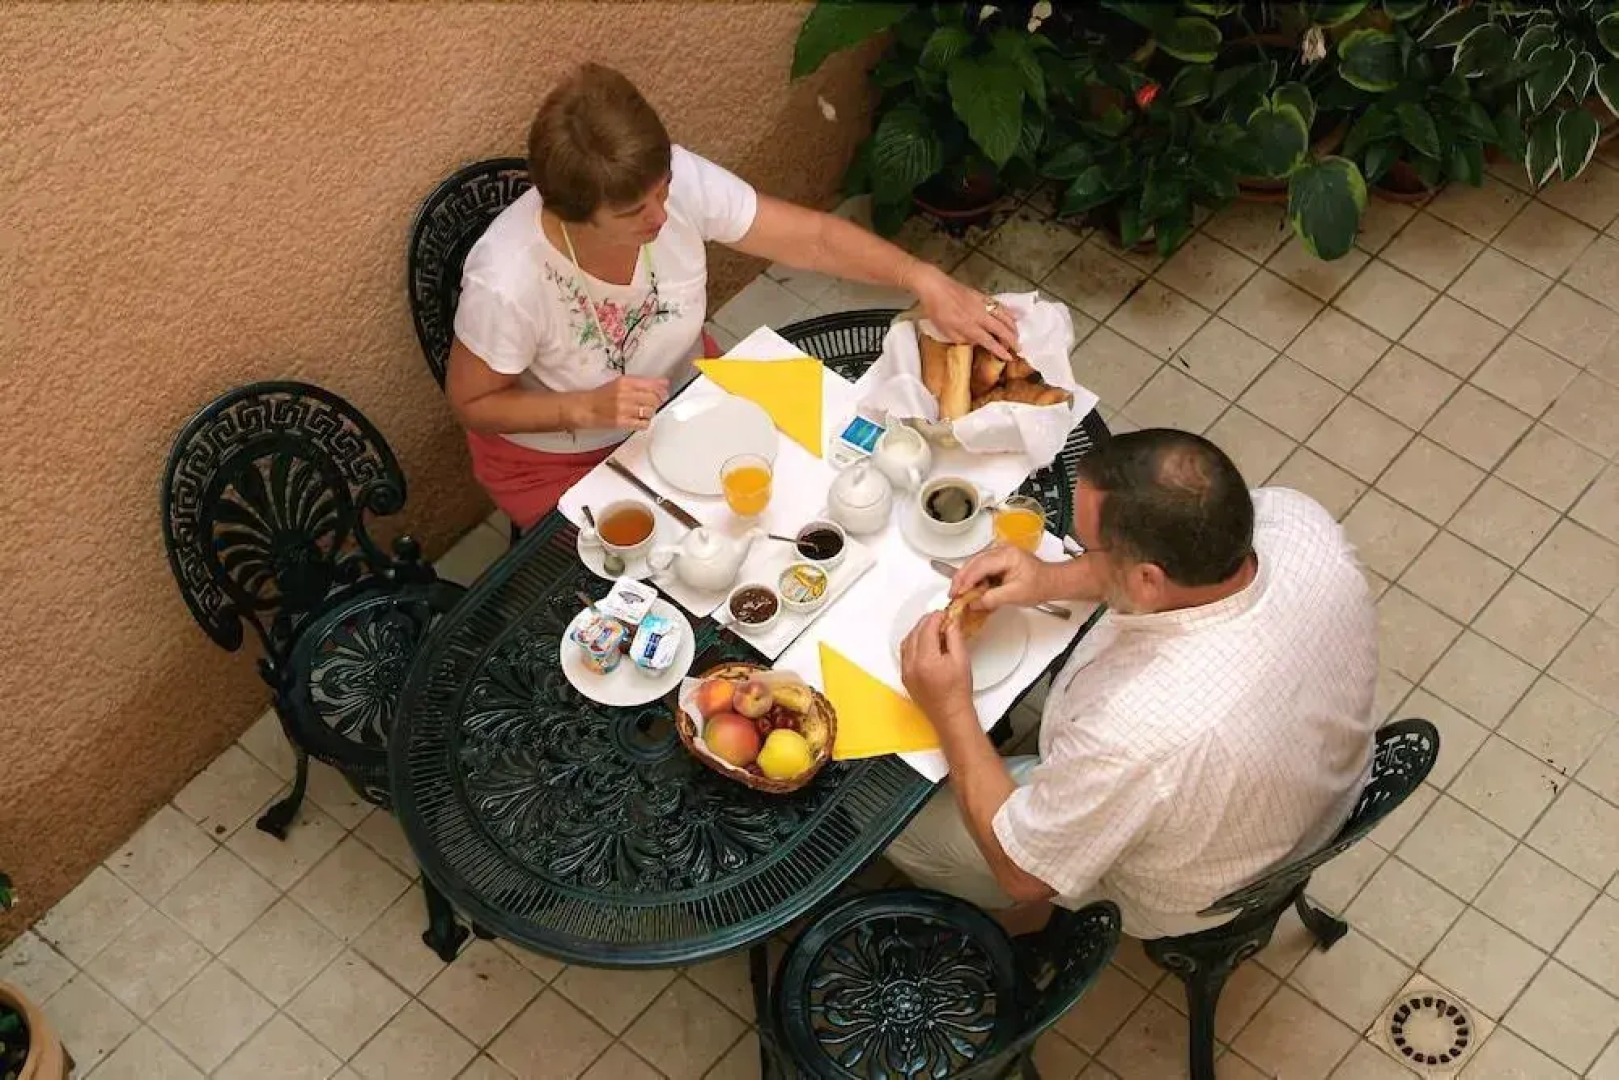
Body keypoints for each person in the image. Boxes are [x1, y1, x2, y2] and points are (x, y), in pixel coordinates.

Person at [446, 62, 1018, 529]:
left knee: (798, 508)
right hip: (556, 459)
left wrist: (923, 277)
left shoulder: (665, 185)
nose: (661, 216)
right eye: (632, 212)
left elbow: (813, 239)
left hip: (686, 398)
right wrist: (585, 408)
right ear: (572, 215)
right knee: (655, 598)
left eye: (664, 191)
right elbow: (472, 404)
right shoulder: (506, 280)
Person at [891, 429, 1379, 939]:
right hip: (1322, 786)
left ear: (1146, 579)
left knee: (903, 825)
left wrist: (950, 708)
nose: (1077, 553)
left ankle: (1017, 930)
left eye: (1090, 548)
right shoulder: (1299, 520)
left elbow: (1025, 872)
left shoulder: (1136, 731)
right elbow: (1180, 562)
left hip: (1206, 883)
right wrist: (1051, 580)